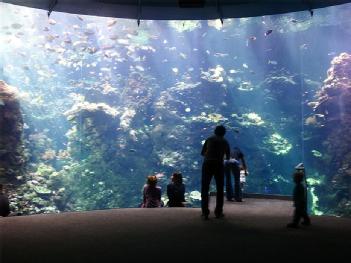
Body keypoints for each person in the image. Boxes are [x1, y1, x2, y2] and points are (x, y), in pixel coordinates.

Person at [201, 125, 230, 219]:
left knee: (205, 188)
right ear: (224, 133)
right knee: (220, 189)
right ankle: (218, 212)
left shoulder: (209, 139)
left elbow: (203, 153)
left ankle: (205, 212)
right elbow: (228, 157)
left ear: (215, 131)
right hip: (218, 164)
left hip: (207, 163)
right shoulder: (225, 141)